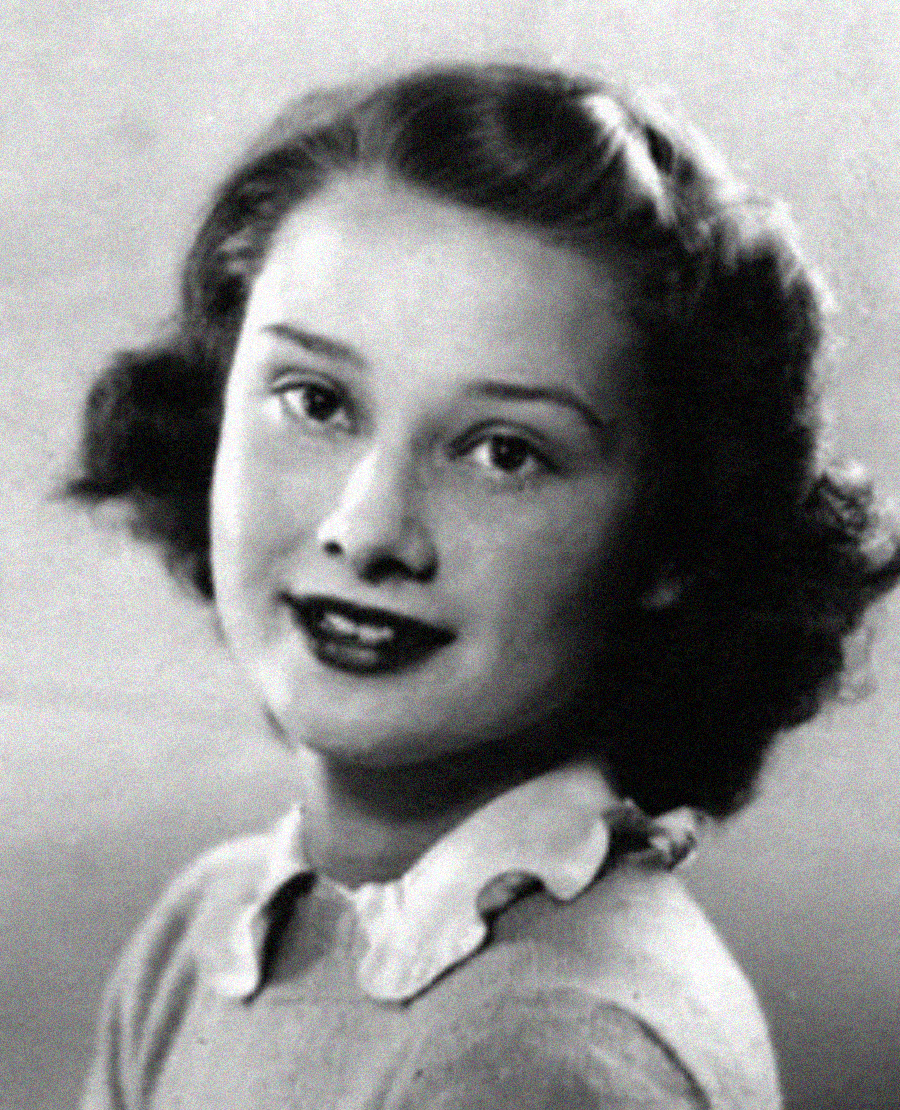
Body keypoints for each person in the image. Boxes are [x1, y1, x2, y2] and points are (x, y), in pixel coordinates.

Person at [67, 62, 900, 1109]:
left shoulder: (551, 1051)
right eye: (316, 400)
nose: (367, 530)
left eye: (504, 452)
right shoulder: (209, 936)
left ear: (675, 540)